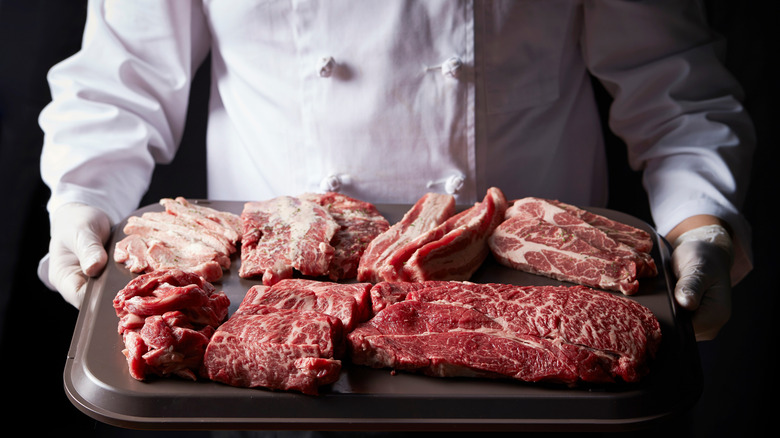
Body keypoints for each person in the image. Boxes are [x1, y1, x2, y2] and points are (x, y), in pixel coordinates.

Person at [37, 0, 753, 342]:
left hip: (535, 308)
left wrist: (702, 223)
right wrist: (81, 202)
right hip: (274, 308)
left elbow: (670, 83)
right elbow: (120, 83)